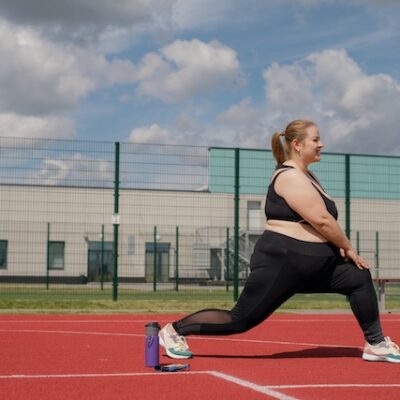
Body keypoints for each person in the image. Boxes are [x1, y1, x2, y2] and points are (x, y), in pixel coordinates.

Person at [159, 119, 400, 363]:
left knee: (358, 276)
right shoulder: (289, 176)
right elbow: (322, 220)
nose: (321, 144)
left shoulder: (309, 176)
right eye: (315, 140)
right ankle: (173, 331)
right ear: (297, 144)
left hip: (314, 264)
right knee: (240, 320)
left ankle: (376, 343)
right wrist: (347, 248)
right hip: (282, 262)